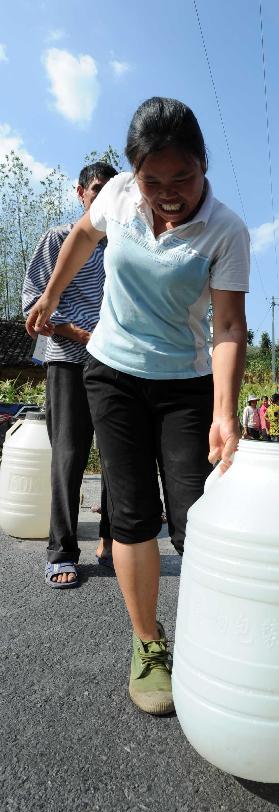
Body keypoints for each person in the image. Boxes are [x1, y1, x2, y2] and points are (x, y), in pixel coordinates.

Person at [25, 97, 249, 717]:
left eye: (184, 177)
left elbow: (229, 326)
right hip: (112, 370)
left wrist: (224, 413)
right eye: (155, 180)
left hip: (184, 381)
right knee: (131, 514)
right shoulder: (118, 195)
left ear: (204, 166)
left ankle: (210, 635)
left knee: (194, 520)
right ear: (134, 174)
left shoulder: (226, 230)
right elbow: (80, 235)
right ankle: (149, 642)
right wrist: (51, 295)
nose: (169, 193)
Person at [22, 161, 117, 587]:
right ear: (81, 192)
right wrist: (72, 330)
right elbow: (32, 301)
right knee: (69, 454)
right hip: (67, 358)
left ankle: (111, 541)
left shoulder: (122, 246)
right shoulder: (59, 239)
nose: (103, 196)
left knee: (119, 455)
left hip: (116, 362)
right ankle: (61, 549)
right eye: (97, 189)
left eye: (112, 189)